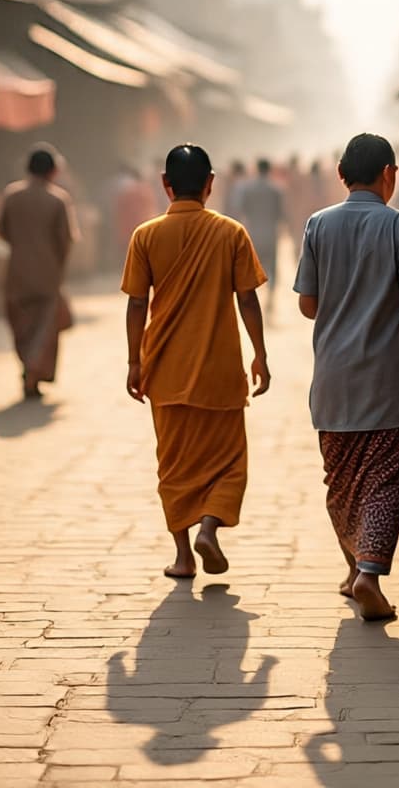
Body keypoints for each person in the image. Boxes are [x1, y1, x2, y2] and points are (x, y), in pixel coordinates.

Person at [294, 132, 399, 623]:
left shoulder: (317, 225)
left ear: (341, 175)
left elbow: (308, 305)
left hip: (333, 380)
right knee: (383, 481)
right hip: (387, 380)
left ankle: (354, 568)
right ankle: (368, 574)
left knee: (341, 482)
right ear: (389, 175)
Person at [123, 144, 271, 580]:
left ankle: (184, 555)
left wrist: (134, 361)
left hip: (164, 370)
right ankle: (210, 525)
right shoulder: (231, 233)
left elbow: (136, 304)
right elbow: (248, 299)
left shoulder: (146, 236)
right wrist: (260, 353)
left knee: (174, 465)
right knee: (229, 461)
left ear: (165, 185)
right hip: (219, 371)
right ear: (211, 184)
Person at [0, 146, 79, 400]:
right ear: (53, 171)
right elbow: (66, 239)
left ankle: (28, 369)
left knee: (22, 326)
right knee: (44, 328)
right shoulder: (57, 199)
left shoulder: (12, 195)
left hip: (17, 272)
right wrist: (59, 268)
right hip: (48, 273)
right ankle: (33, 371)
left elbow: (1, 230)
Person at [235, 159, 284, 311]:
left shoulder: (248, 189)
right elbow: (280, 213)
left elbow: (241, 210)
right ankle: (270, 299)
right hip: (270, 232)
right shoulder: (275, 189)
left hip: (253, 233)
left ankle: (252, 300)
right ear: (269, 170)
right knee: (272, 266)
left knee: (252, 268)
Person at [114, 165, 158, 263]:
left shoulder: (127, 192)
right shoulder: (147, 190)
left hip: (129, 227)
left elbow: (120, 209)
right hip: (145, 224)